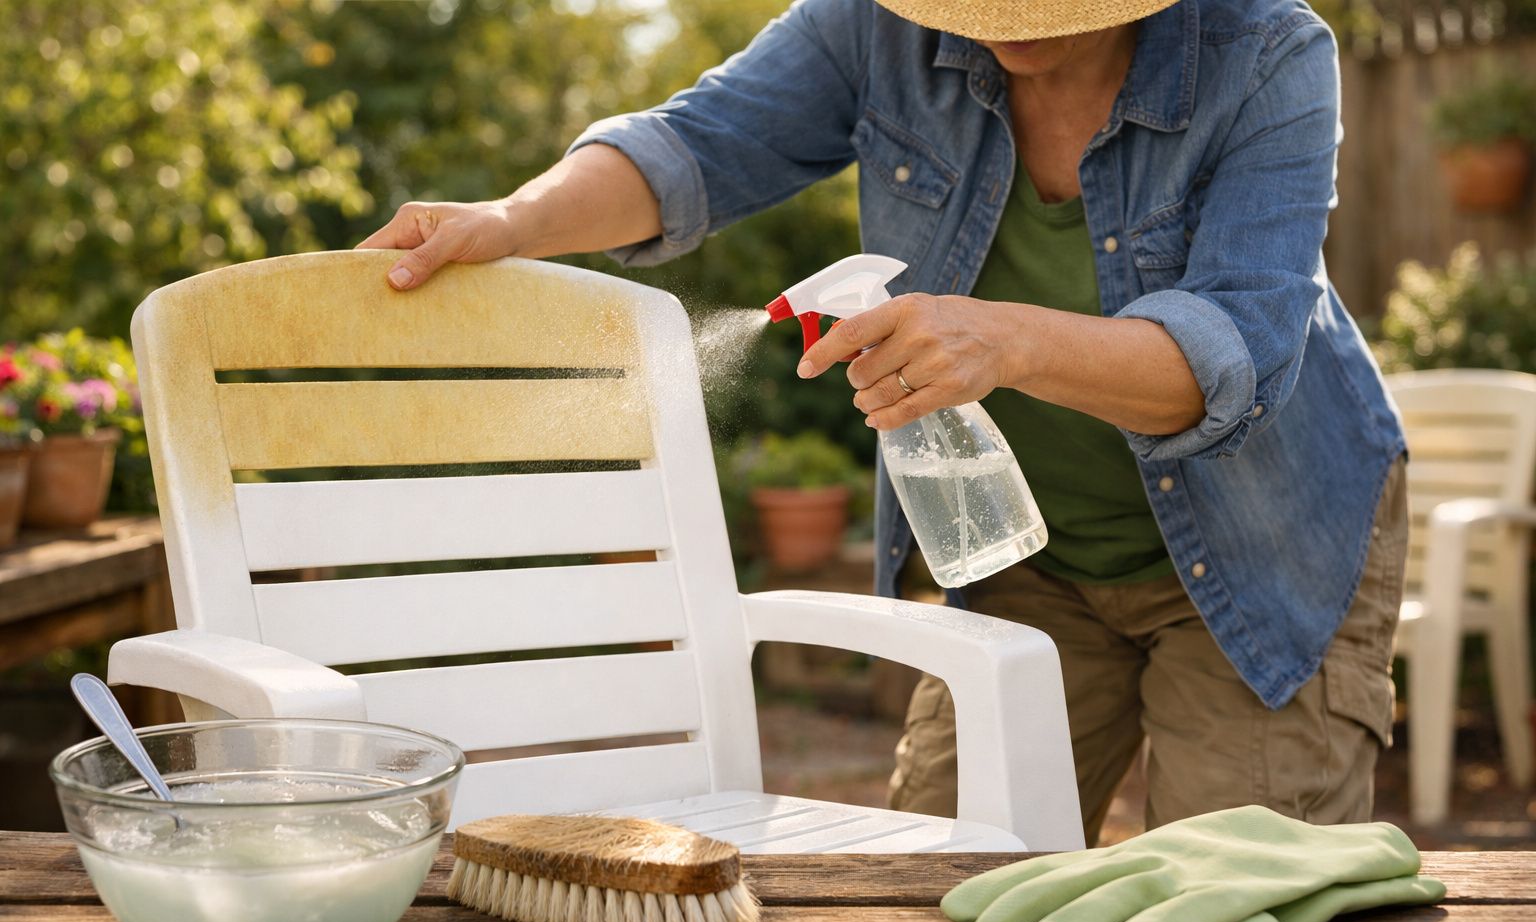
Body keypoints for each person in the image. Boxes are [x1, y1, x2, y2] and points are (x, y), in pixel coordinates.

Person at [360, 0, 1408, 846]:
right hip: (1025, 551)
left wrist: (1008, 339)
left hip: (1263, 550)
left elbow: (1236, 352)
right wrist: (515, 220)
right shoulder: (878, 27)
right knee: (940, 889)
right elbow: (693, 145)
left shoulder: (1267, 53)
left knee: (1229, 910)